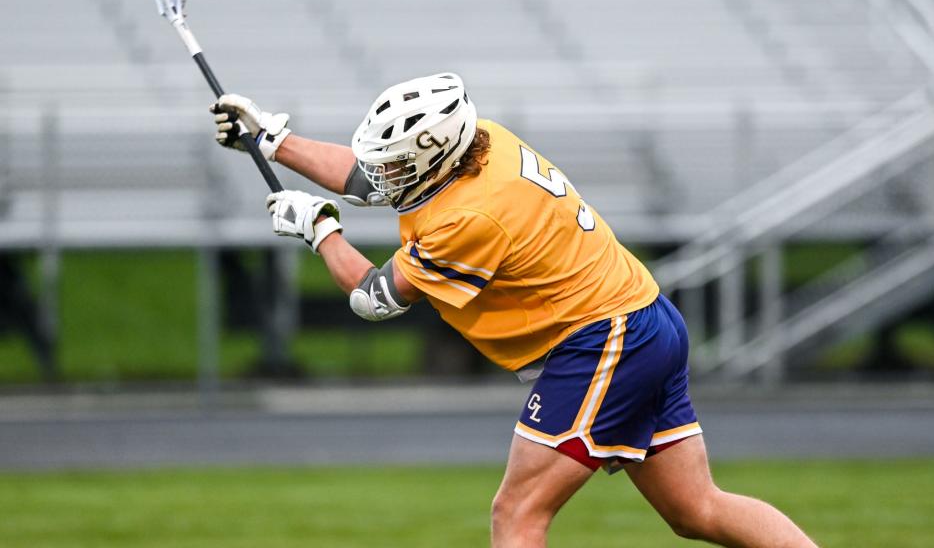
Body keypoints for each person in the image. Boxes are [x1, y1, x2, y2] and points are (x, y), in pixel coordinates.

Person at [210, 73, 817, 547]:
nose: (384, 171)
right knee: (697, 510)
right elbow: (370, 179)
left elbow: (374, 297)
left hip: (603, 341)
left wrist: (318, 231)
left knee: (518, 512)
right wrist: (272, 141)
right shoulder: (482, 140)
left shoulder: (469, 220)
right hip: (642, 318)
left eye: (396, 162)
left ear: (432, 160)